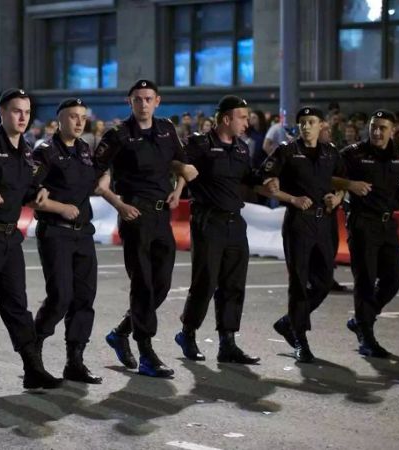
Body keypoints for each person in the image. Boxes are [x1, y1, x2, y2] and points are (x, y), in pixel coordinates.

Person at [94, 79, 196, 377]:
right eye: (137, 99)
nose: (143, 104)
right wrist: (118, 204)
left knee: (161, 284)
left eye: (148, 98)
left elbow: (182, 164)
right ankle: (146, 352)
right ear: (130, 102)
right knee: (142, 284)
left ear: (157, 101)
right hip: (134, 214)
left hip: (162, 215)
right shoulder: (118, 135)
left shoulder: (166, 130)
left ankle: (120, 332)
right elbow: (95, 173)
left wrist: (179, 190)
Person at [0, 88, 62, 391]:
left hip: (10, 240)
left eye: (27, 112)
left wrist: (39, 194)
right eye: (17, 111)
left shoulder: (28, 151)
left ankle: (33, 368)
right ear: (2, 113)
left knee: (17, 307)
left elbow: (28, 190)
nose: (23, 117)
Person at [173, 95, 272, 365]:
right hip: (208, 220)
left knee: (233, 283)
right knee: (205, 281)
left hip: (235, 222)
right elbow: (177, 163)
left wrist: (266, 184)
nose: (247, 123)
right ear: (226, 119)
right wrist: (178, 188)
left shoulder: (241, 149)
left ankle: (227, 342)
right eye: (242, 117)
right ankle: (187, 333)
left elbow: (248, 177)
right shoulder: (201, 144)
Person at [256, 107, 346, 362]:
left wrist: (337, 198)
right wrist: (291, 198)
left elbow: (343, 183)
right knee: (298, 282)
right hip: (298, 223)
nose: (306, 127)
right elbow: (264, 182)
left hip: (325, 223)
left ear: (322, 126)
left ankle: (288, 322)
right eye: (302, 123)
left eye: (311, 122)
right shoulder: (286, 151)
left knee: (325, 281)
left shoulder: (331, 153)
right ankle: (299, 338)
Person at [334, 110, 399, 358]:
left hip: (388, 224)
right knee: (366, 280)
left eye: (383, 128)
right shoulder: (353, 153)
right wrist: (349, 185)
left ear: (393, 130)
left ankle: (363, 319)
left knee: (395, 277)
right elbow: (327, 175)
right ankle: (367, 337)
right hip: (362, 224)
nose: (377, 132)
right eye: (374, 127)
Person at [31, 98, 102, 384]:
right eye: (73, 116)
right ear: (59, 120)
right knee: (61, 296)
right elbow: (33, 197)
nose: (78, 121)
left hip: (83, 233)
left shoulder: (85, 150)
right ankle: (32, 351)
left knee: (85, 298)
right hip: (56, 231)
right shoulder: (45, 152)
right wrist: (60, 207)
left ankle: (75, 361)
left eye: (82, 117)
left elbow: (95, 181)